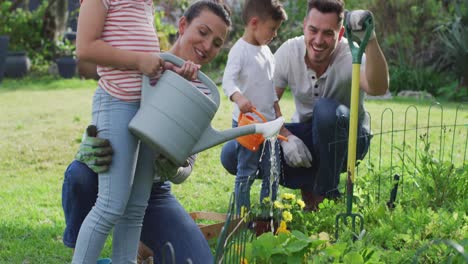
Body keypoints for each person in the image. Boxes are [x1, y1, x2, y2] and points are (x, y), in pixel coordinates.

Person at [69, 0, 230, 263]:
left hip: (145, 119)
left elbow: (186, 166)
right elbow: (86, 48)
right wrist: (142, 62)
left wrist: (172, 163)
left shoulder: (146, 6)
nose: (207, 46)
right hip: (120, 101)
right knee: (110, 204)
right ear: (182, 25)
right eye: (203, 32)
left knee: (134, 210)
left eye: (216, 42)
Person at [221, 0, 389, 211]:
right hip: (307, 136)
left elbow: (378, 87)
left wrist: (370, 40)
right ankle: (311, 182)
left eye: (328, 33)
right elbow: (266, 103)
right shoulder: (289, 52)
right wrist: (285, 137)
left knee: (326, 111)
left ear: (341, 32)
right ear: (304, 26)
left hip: (348, 138)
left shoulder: (349, 55)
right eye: (313, 30)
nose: (318, 40)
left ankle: (324, 193)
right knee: (231, 153)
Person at [219, 0, 287, 213]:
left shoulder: (267, 51)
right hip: (248, 124)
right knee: (246, 171)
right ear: (255, 22)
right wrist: (239, 98)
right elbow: (228, 81)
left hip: (268, 124)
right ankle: (243, 217)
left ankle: (268, 214)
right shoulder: (240, 51)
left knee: (272, 172)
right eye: (272, 29)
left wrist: (276, 108)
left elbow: (269, 85)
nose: (275, 34)